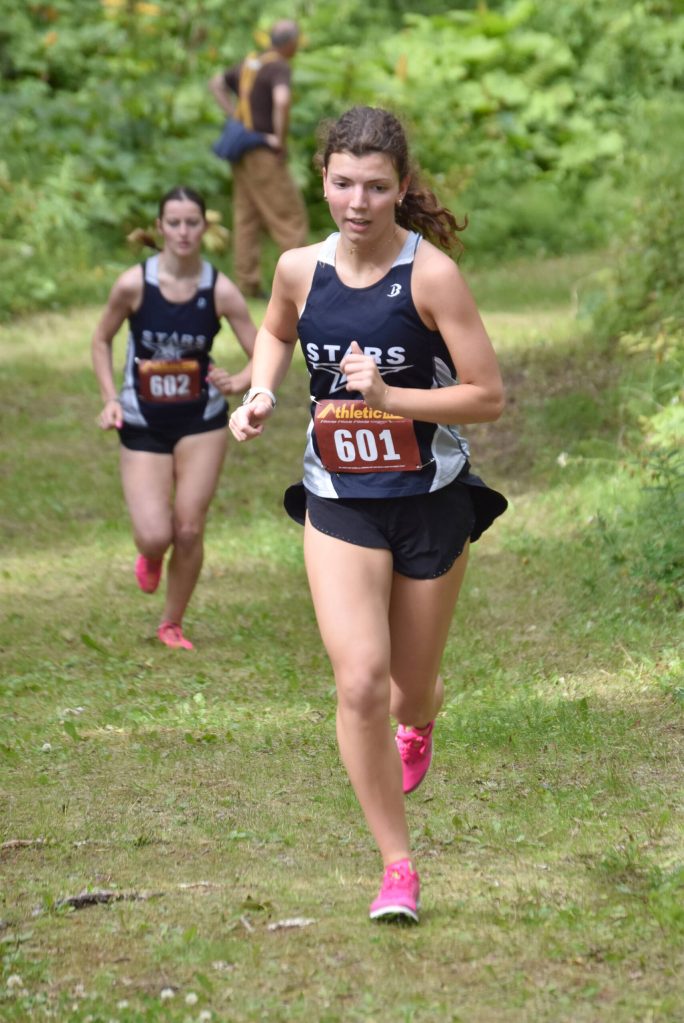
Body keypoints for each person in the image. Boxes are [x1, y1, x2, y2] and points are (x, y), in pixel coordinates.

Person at [229, 106, 507, 923]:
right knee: (358, 681)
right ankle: (397, 865)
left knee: (406, 691)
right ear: (321, 179)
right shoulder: (297, 269)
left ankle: (419, 719)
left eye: (377, 187)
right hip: (339, 497)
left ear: (402, 186)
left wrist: (390, 397)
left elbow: (487, 396)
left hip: (428, 501)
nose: (359, 202)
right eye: (344, 183)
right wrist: (261, 390)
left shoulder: (431, 277)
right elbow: (275, 331)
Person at [92, 186, 257, 651]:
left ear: (205, 227)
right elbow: (101, 339)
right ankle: (149, 555)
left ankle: (171, 622)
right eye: (174, 223)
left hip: (201, 419)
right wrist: (110, 398)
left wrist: (239, 381)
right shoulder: (133, 285)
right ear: (160, 227)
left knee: (188, 528)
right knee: (154, 535)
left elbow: (264, 348)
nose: (183, 232)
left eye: (192, 223)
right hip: (142, 419)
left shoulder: (219, 290)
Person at [208, 19, 309, 298]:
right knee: (289, 217)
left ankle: (248, 284)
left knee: (247, 218)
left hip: (241, 151)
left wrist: (234, 116)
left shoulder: (251, 63)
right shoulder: (278, 67)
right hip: (263, 153)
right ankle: (301, 284)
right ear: (290, 43)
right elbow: (282, 100)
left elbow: (216, 83)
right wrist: (279, 139)